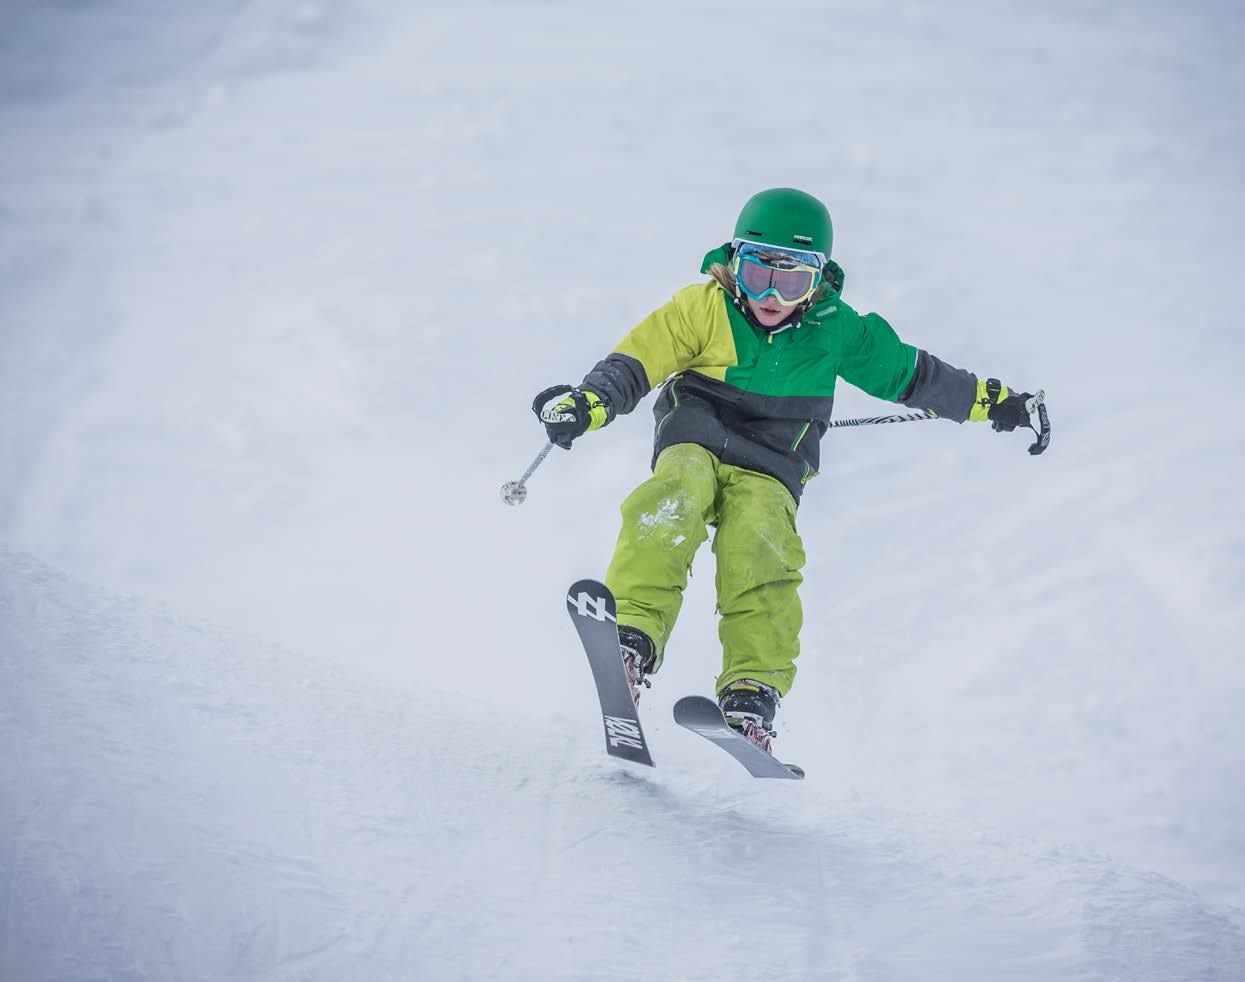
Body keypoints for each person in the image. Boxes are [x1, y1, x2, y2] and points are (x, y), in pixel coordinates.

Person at [533, 188, 1041, 754]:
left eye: (793, 280)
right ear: (734, 264)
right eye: (757, 273)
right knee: (675, 493)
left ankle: (752, 693)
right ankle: (631, 639)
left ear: (819, 280)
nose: (773, 295)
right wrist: (588, 403)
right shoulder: (701, 308)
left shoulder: (836, 329)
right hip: (696, 434)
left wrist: (993, 401)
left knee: (762, 545)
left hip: (774, 462)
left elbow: (912, 374)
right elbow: (637, 361)